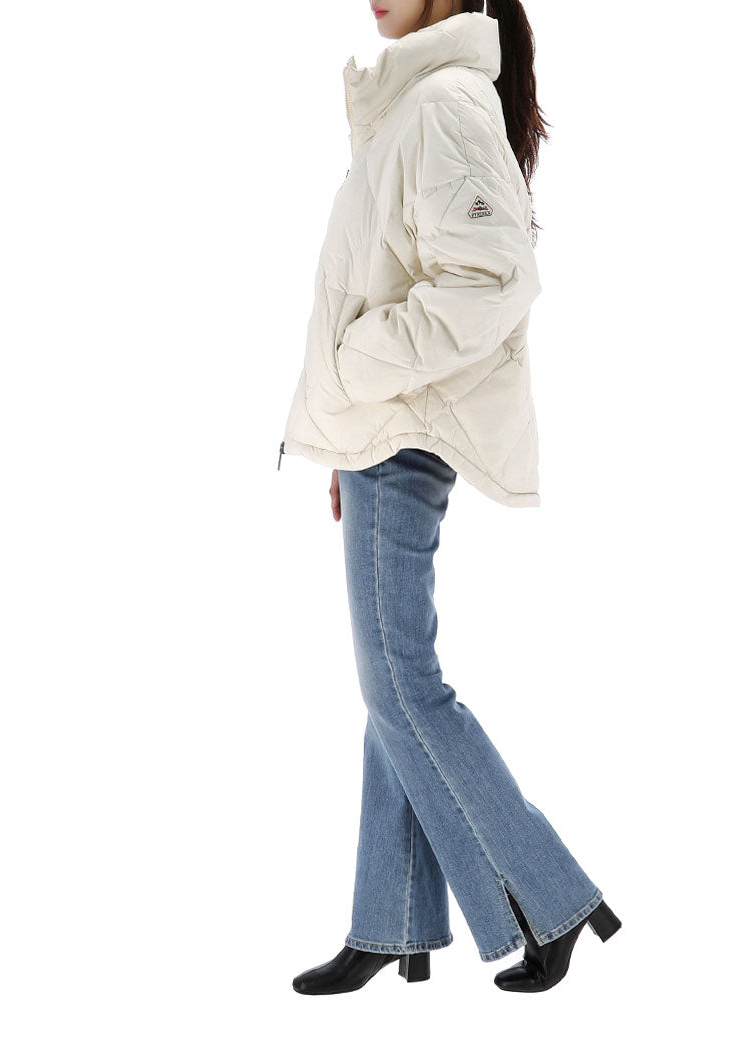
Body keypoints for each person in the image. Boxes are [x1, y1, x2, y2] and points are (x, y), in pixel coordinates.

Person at [279, 1, 622, 994]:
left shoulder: (442, 103)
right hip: (384, 433)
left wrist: (356, 371)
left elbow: (488, 282)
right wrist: (346, 430)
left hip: (402, 431)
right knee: (390, 687)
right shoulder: (420, 100)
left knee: (401, 685)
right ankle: (390, 921)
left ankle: (550, 897)